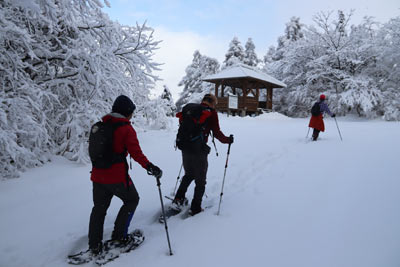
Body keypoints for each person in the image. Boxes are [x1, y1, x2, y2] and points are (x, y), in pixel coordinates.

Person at [88, 95, 162, 255]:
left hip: (97, 177)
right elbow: (136, 153)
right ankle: (119, 237)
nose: (132, 116)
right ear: (127, 112)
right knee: (132, 199)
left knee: (98, 210)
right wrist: (150, 167)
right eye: (132, 112)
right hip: (116, 177)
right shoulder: (126, 129)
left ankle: (94, 246)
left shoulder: (99, 126)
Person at [172, 93, 234, 216]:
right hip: (199, 150)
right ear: (212, 102)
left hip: (185, 147)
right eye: (215, 104)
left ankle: (178, 199)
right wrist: (228, 140)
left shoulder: (190, 110)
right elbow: (216, 133)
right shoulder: (210, 113)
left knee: (189, 174)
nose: (215, 106)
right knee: (200, 181)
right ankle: (195, 208)